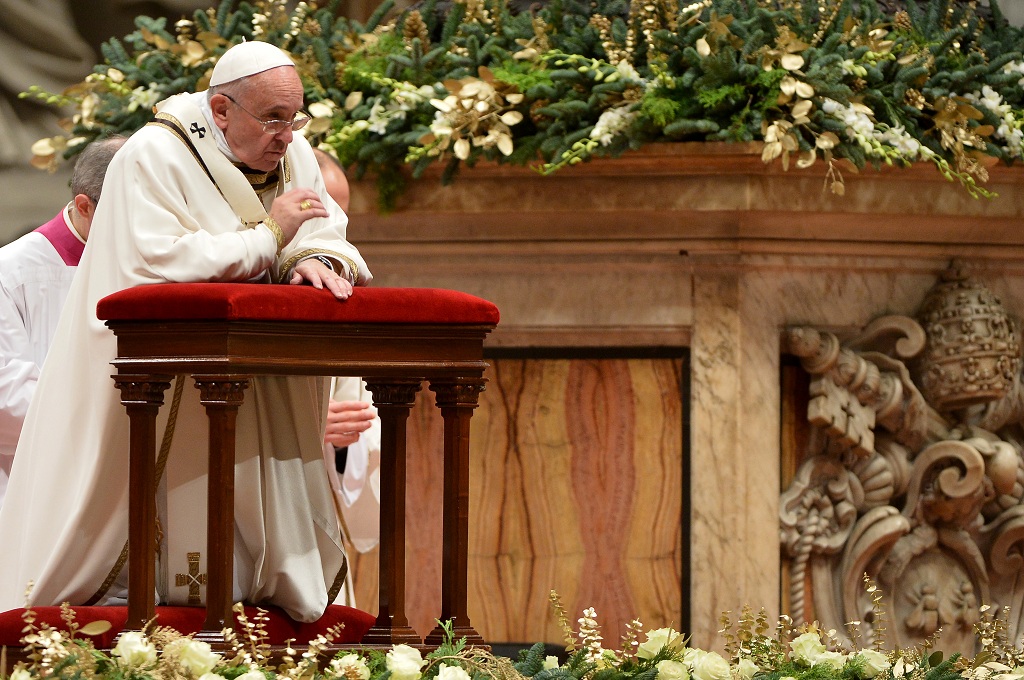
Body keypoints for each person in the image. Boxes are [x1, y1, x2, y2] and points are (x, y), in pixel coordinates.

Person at [0, 41, 372, 621]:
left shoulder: (295, 152)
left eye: (295, 117)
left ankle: (259, 588)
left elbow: (326, 225)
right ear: (221, 110)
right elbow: (155, 264)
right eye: (272, 118)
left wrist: (317, 259)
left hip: (253, 374)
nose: (287, 134)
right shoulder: (153, 155)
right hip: (164, 379)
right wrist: (270, 237)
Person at [0, 136, 126, 511]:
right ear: (84, 206)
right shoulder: (12, 273)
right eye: (128, 210)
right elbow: (8, 397)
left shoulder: (150, 264)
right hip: (38, 482)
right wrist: (119, 413)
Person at [312, 148, 381, 576]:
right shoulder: (251, 279)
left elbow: (356, 417)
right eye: (327, 213)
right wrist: (308, 428)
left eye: (345, 216)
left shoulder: (344, 290)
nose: (338, 230)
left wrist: (340, 442)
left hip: (319, 504)